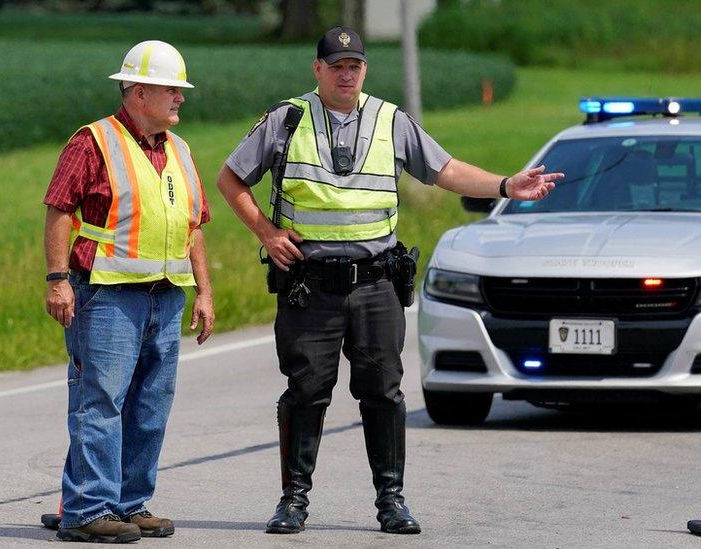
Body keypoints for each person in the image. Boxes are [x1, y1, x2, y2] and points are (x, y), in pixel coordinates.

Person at [216, 26, 561, 536]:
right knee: (306, 392)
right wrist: (266, 233)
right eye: (336, 65)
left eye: (354, 65)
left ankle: (391, 500)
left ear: (364, 70)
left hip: (375, 282)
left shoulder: (390, 120)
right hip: (308, 285)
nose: (346, 74)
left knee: (383, 392)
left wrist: (506, 185)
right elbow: (230, 178)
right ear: (318, 71)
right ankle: (293, 502)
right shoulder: (286, 120)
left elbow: (444, 170)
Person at [43, 40, 214, 544]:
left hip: (166, 296)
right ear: (139, 93)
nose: (181, 99)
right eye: (171, 90)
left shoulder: (179, 151)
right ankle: (87, 510)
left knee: (150, 406)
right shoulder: (92, 142)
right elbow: (58, 209)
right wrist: (57, 281)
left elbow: (195, 227)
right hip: (106, 295)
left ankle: (128, 503)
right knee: (100, 401)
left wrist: (203, 292)